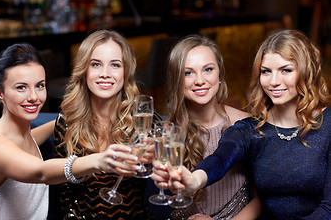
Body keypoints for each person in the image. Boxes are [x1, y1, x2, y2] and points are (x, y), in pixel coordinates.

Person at [152, 29, 331, 219]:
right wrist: (195, 179)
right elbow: (220, 160)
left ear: (306, 72)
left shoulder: (327, 124)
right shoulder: (250, 128)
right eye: (266, 72)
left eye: (286, 70)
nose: (274, 81)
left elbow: (329, 207)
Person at [0, 43, 140, 220]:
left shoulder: (18, 135)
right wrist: (100, 159)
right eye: (21, 87)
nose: (33, 97)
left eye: (40, 86)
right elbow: (41, 171)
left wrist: (75, 117)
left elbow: (28, 141)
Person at [51, 30, 162, 219]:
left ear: (125, 72)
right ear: (84, 70)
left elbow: (167, 180)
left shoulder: (146, 121)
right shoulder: (67, 122)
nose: (105, 74)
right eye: (96, 64)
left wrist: (156, 160)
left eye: (115, 65)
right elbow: (63, 196)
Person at [157, 35, 261, 220]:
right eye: (188, 73)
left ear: (219, 74)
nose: (200, 80)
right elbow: (176, 193)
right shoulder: (167, 131)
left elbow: (262, 200)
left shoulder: (246, 125)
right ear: (177, 81)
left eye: (208, 69)